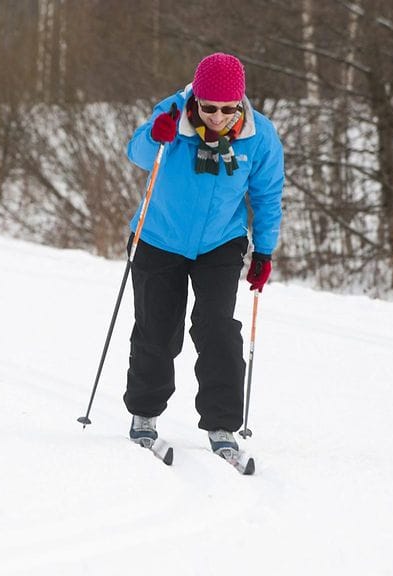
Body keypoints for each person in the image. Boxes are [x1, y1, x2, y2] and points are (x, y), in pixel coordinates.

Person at [123, 52, 284, 456]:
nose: (217, 116)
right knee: (157, 329)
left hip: (219, 243)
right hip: (159, 236)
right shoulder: (173, 115)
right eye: (209, 107)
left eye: (228, 108)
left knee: (217, 330)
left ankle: (223, 425)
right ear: (197, 99)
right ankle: (144, 413)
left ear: (240, 102)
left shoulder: (258, 135)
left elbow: (266, 196)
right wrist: (154, 135)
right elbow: (138, 155)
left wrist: (264, 251)